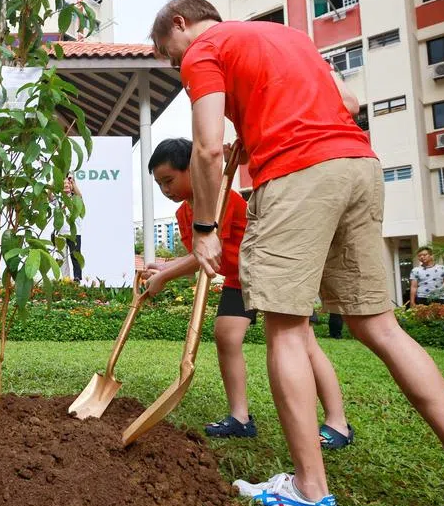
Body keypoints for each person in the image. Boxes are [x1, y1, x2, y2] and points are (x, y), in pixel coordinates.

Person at [150, 0, 444, 506]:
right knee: (382, 328)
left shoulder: (204, 50)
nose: (174, 64)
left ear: (182, 25)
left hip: (298, 176)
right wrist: (256, 137)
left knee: (285, 328)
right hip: (357, 165)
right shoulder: (290, 37)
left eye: (168, 52)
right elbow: (346, 102)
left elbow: (206, 148)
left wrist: (205, 228)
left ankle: (310, 491)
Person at [146, 138, 352, 447]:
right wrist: (162, 267)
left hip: (271, 271)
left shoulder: (221, 199)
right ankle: (240, 418)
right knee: (226, 335)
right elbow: (198, 256)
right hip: (238, 279)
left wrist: (164, 277)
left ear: (193, 169)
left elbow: (205, 256)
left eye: (169, 180)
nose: (165, 190)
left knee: (303, 343)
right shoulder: (184, 215)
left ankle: (338, 423)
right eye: (160, 184)